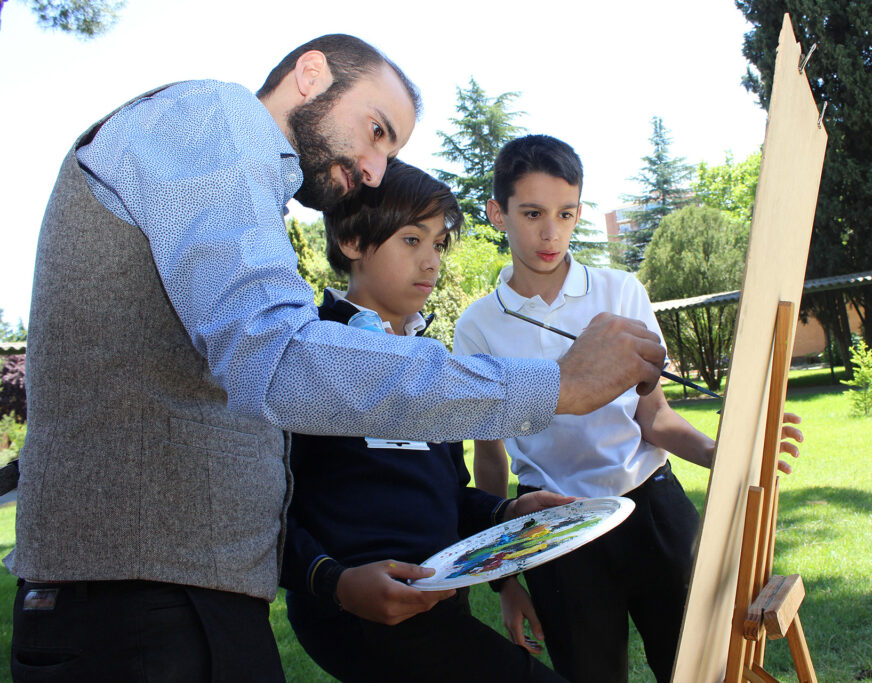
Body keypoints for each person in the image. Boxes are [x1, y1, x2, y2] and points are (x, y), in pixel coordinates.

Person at [7, 38, 666, 682]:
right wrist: (554, 383)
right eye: (376, 130)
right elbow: (284, 358)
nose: (376, 169)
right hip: (136, 611)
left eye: (392, 151)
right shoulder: (212, 115)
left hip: (189, 602)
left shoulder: (238, 194)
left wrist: (497, 517)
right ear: (311, 74)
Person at [453, 135, 803, 683]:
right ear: (498, 213)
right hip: (556, 530)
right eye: (532, 213)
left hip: (653, 509)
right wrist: (506, 578)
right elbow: (490, 460)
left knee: (698, 670)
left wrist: (729, 455)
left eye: (565, 213)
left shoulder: (619, 292)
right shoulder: (477, 326)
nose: (551, 233)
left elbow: (655, 417)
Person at [280, 160, 570, 683]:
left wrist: (508, 509)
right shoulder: (307, 354)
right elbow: (265, 510)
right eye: (412, 240)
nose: (432, 262)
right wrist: (334, 582)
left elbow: (448, 496)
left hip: (438, 600)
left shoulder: (428, 362)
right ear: (351, 239)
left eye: (437, 244)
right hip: (357, 613)